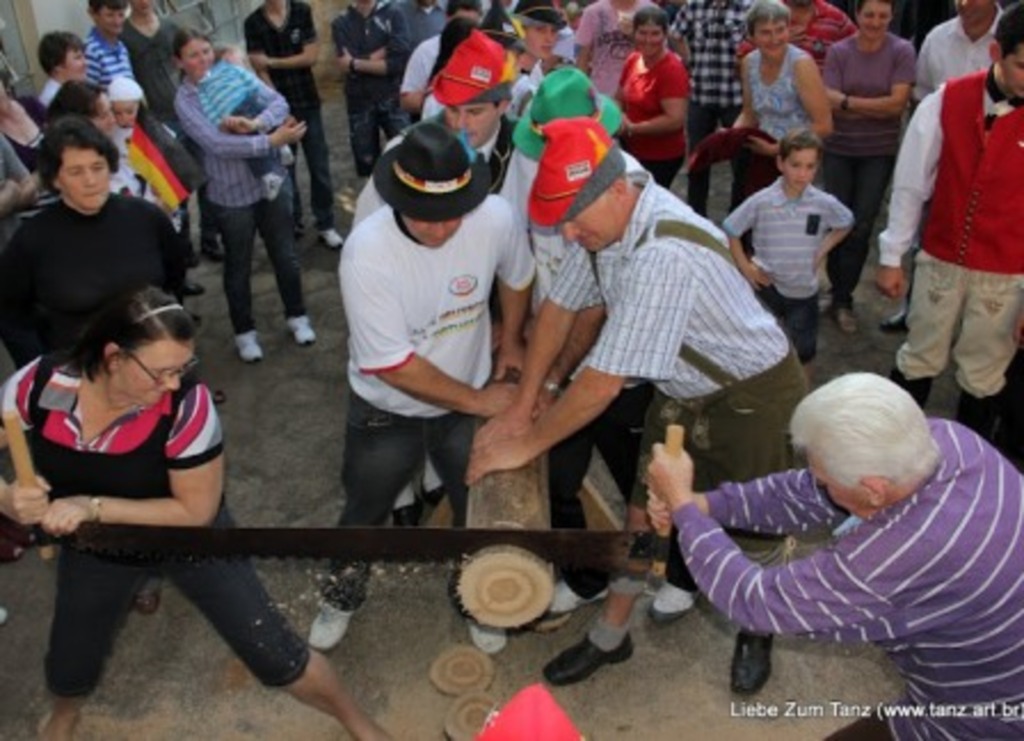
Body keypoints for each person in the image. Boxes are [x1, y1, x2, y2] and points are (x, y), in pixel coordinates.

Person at [467, 116, 806, 692]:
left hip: (752, 395)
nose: (569, 234)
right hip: (683, 392)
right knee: (641, 512)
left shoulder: (660, 253)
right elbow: (558, 310)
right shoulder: (601, 222)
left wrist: (524, 445)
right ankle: (611, 635)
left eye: (574, 220)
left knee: (754, 527)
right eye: (560, 223)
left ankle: (757, 626)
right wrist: (525, 403)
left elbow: (601, 384)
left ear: (619, 189)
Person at [0, 287, 391, 741]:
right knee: (72, 652)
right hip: (97, 548)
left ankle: (358, 724)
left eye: (181, 369)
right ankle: (65, 714)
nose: (172, 384)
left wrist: (90, 506)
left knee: (273, 650)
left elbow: (195, 510)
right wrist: (9, 499)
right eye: (160, 372)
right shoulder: (44, 382)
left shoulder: (189, 405)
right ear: (113, 357)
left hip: (188, 540)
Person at [646, 372, 1024, 741]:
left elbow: (759, 602)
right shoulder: (950, 442)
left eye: (826, 479)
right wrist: (704, 505)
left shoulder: (894, 555)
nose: (818, 484)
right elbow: (802, 494)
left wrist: (683, 508)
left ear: (873, 490)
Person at [308, 122, 533, 656]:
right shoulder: (367, 253)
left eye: (451, 214)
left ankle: (478, 600)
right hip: (387, 409)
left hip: (465, 397)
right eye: (425, 217)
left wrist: (511, 343)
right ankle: (341, 594)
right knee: (365, 506)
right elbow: (393, 365)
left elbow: (518, 276)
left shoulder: (495, 217)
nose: (439, 230)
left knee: (474, 505)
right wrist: (480, 401)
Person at [875, 2, 1024, 445]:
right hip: (943, 254)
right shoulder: (947, 100)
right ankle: (886, 445)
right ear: (997, 51)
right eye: (1022, 65)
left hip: (1006, 269)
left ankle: (970, 461)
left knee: (984, 372)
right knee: (920, 355)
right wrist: (891, 254)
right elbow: (910, 183)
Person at [174, 28, 316, 364]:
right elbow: (217, 145)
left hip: (271, 185)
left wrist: (254, 125)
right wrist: (270, 141)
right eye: (193, 55)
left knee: (285, 255)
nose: (203, 59)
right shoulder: (185, 100)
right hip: (230, 194)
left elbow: (278, 102)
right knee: (237, 266)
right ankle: (245, 332)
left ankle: (297, 316)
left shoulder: (233, 71)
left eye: (206, 51)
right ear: (178, 61)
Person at [0, 116, 185, 354]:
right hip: (81, 370)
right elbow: (12, 311)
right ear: (56, 179)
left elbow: (175, 278)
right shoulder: (32, 240)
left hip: (154, 358)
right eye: (76, 172)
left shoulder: (147, 217)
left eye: (98, 167)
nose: (90, 181)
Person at [724, 129, 852, 379]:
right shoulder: (761, 201)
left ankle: (801, 403)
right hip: (765, 288)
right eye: (795, 165)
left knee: (803, 351)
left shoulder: (823, 202)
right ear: (780, 163)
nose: (802, 174)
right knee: (761, 348)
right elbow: (731, 229)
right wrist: (746, 268)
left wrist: (821, 250)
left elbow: (846, 221)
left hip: (803, 290)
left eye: (810, 166)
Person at [821, 0, 915, 334]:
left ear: (892, 16)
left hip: (878, 152)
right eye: (869, 14)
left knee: (861, 224)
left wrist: (847, 101)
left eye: (883, 15)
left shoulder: (902, 51)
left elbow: (897, 105)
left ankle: (843, 298)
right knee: (836, 221)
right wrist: (874, 105)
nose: (875, 22)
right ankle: (835, 291)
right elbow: (827, 100)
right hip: (838, 149)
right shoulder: (839, 51)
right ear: (857, 15)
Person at [244, 0, 345, 249]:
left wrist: (273, 62)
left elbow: (310, 56)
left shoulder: (302, 11)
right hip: (276, 109)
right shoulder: (253, 23)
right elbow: (259, 70)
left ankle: (326, 223)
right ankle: (293, 222)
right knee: (285, 169)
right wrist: (280, 108)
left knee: (319, 165)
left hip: (307, 101)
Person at [732, 0, 833, 200]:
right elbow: (749, 114)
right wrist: (731, 136)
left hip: (798, 162)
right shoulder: (749, 63)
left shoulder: (801, 65)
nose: (775, 38)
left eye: (780, 30)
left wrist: (778, 149)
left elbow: (824, 125)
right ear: (752, 37)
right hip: (762, 157)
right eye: (765, 32)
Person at [670, 0, 751, 218]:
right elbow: (675, 33)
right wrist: (688, 59)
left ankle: (738, 223)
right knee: (697, 164)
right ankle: (696, 219)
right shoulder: (694, 6)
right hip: (700, 96)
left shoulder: (748, 7)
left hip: (735, 97)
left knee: (742, 165)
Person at [331, 0, 412, 178]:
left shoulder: (394, 14)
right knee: (368, 167)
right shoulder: (341, 22)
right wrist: (381, 53)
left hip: (392, 99)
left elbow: (398, 63)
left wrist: (355, 62)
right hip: (359, 103)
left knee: (407, 157)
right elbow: (344, 66)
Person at [616, 5, 689, 188]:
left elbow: (675, 120)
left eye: (655, 33)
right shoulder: (633, 59)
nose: (648, 40)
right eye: (642, 33)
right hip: (632, 149)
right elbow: (618, 97)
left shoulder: (671, 69)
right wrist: (620, 116)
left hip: (661, 156)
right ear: (634, 33)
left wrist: (633, 128)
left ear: (665, 35)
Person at [399, 0, 484, 118]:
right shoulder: (426, 51)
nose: (465, 30)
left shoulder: (486, 53)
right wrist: (432, 98)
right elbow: (406, 101)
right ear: (447, 18)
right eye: (459, 24)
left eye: (472, 25)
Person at [0, 136, 39, 368]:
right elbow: (18, 187)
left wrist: (14, 191)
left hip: (18, 260)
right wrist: (11, 191)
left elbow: (29, 186)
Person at [738, 0, 856, 69]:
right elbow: (742, 64)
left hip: (821, 104)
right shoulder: (766, 14)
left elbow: (864, 47)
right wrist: (776, 43)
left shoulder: (835, 18)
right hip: (774, 105)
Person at [575, 0, 654, 97]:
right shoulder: (593, 12)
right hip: (601, 92)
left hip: (641, 92)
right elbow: (582, 58)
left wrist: (634, 35)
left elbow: (659, 55)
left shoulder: (651, 11)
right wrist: (580, 92)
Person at [84, 0, 135, 88]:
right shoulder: (91, 51)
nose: (117, 22)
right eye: (110, 15)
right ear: (94, 14)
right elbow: (89, 94)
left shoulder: (121, 47)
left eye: (121, 15)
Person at [37, 32, 88, 108]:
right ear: (58, 66)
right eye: (78, 58)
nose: (86, 63)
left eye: (84, 57)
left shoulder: (71, 90)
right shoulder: (56, 100)